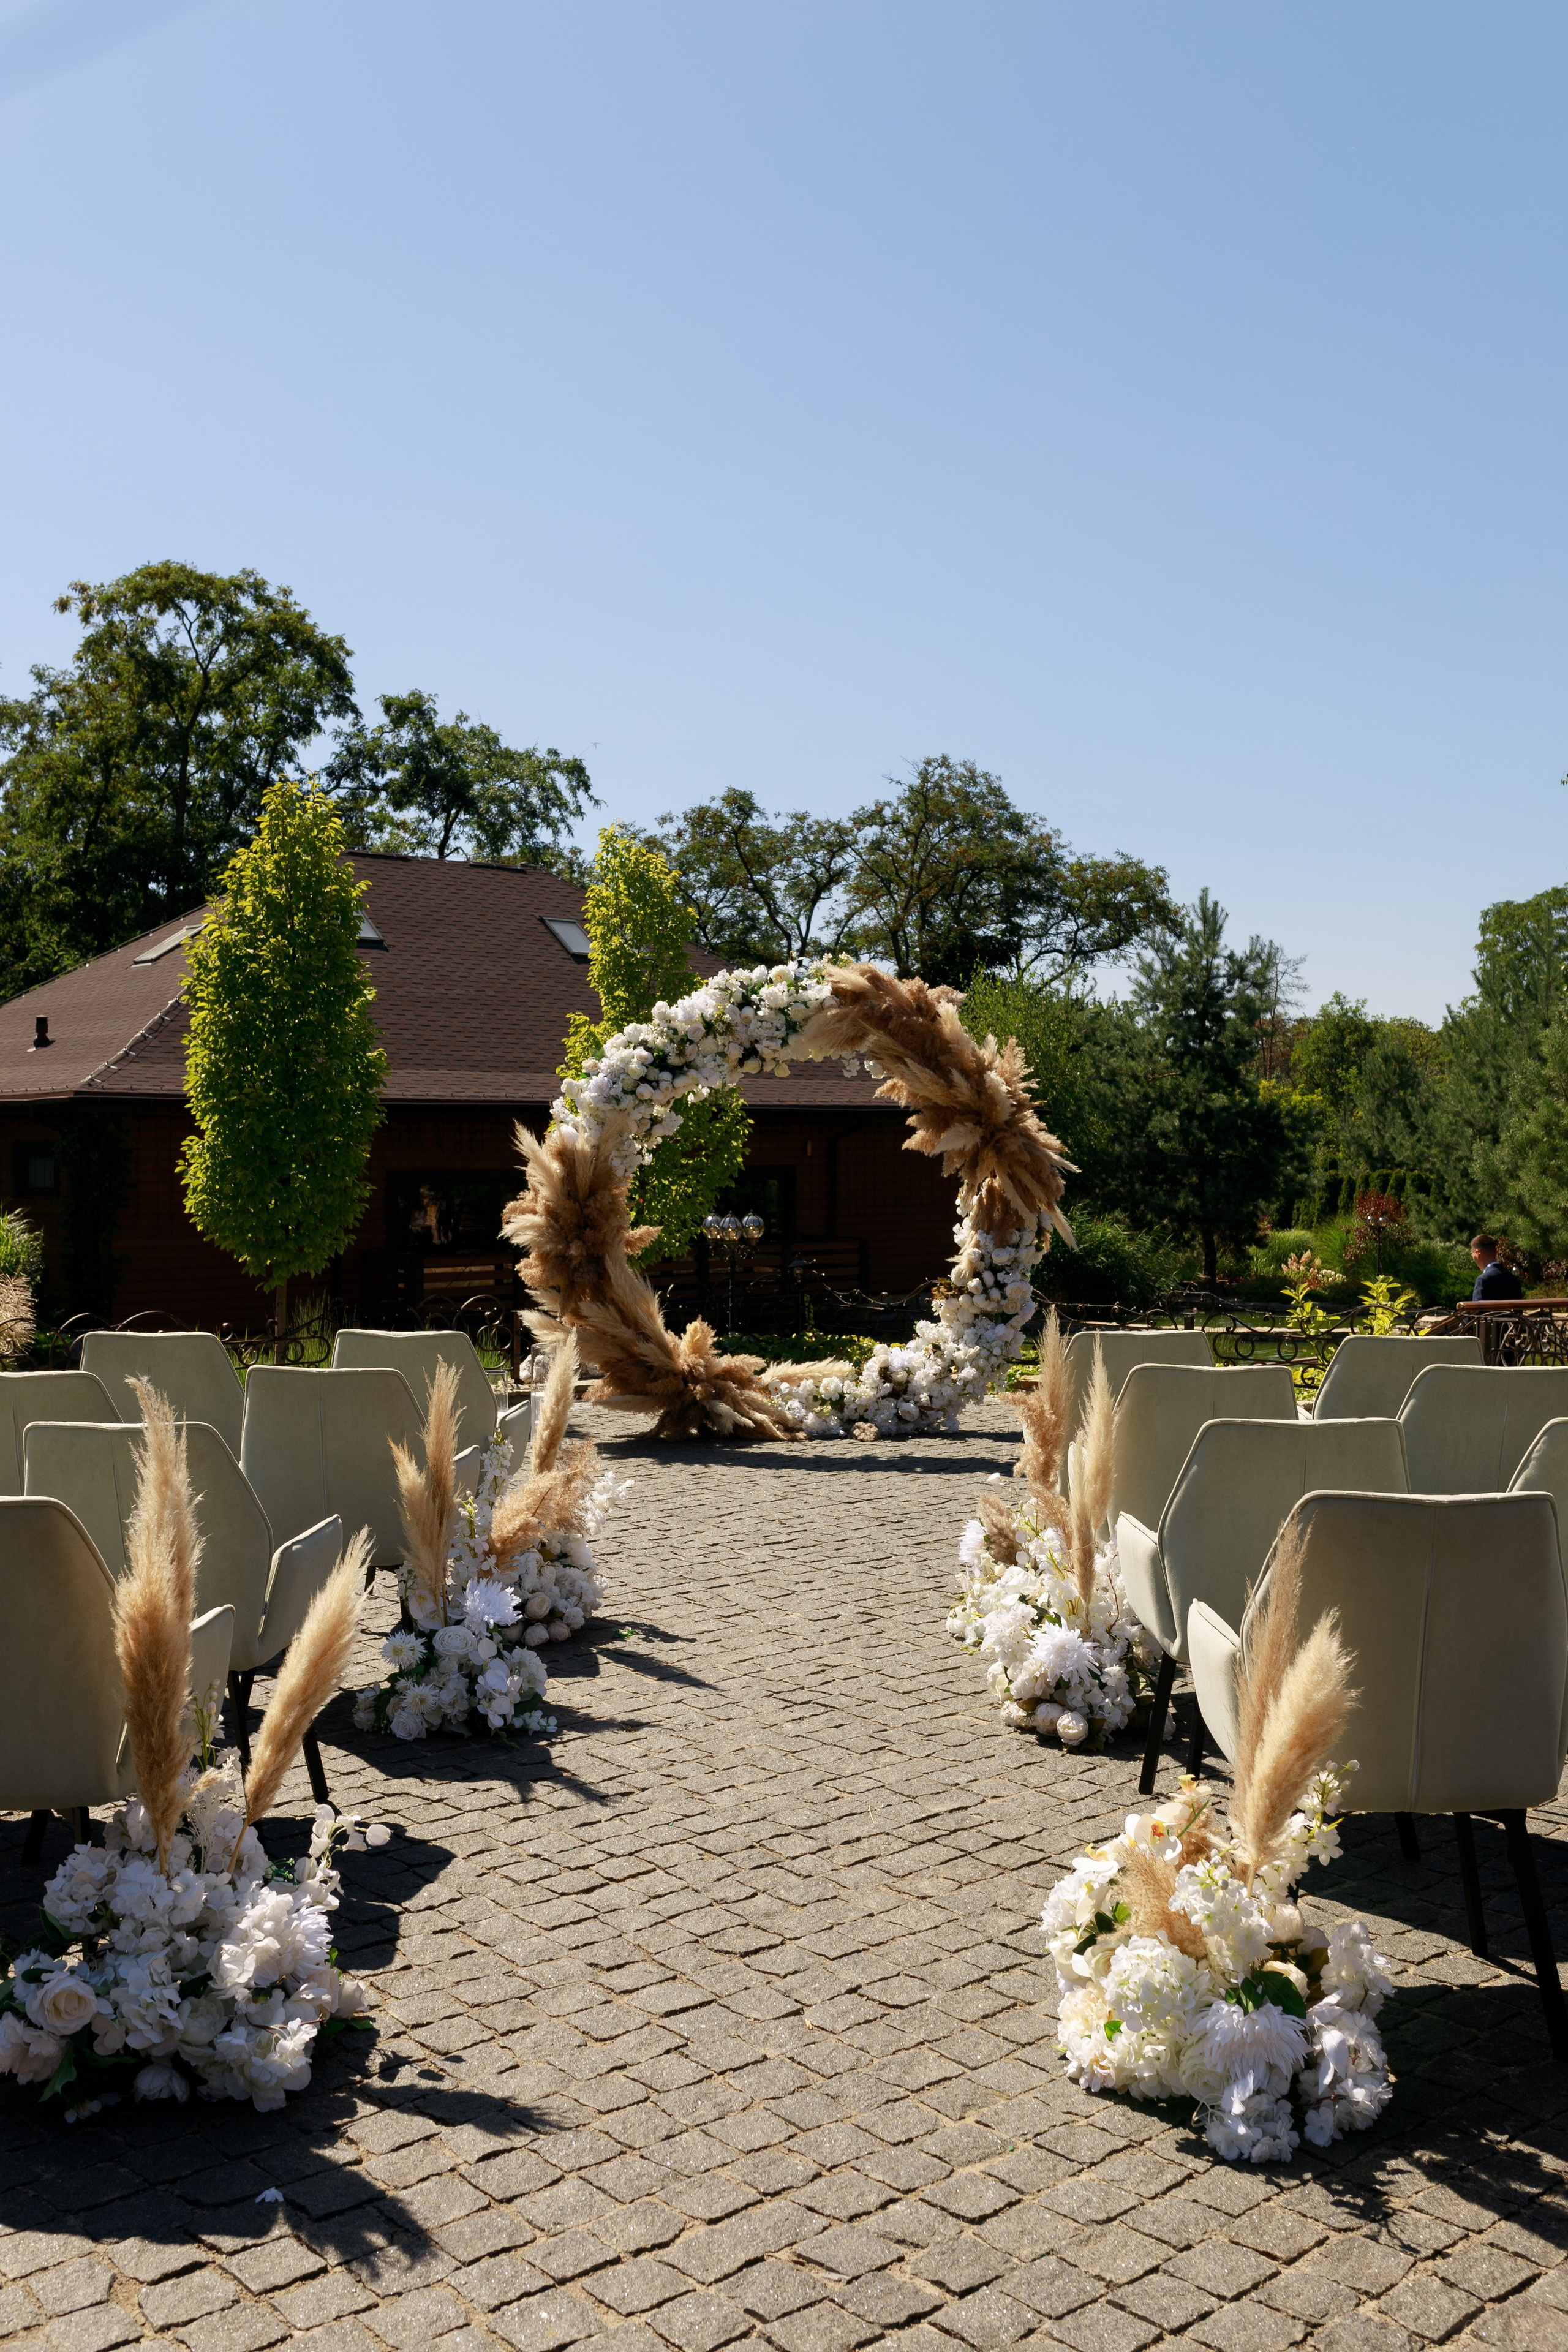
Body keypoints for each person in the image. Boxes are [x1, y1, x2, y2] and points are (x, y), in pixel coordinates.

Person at [1471, 1234, 1523, 1302]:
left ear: (1478, 1253)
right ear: (1496, 1252)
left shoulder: (1482, 1280)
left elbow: (1477, 1308)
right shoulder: (1514, 1280)